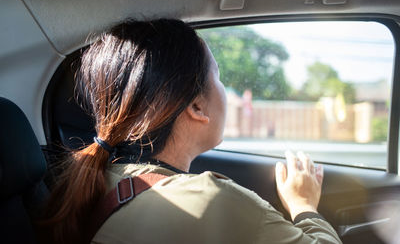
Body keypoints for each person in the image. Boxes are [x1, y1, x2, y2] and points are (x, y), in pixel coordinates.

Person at [42, 19, 341, 244]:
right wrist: (303, 204)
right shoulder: (213, 200)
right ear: (197, 106)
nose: (225, 90)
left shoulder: (90, 179)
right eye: (219, 77)